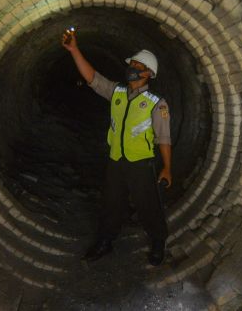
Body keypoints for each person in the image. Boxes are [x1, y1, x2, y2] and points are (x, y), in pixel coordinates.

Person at [61, 27, 172, 266]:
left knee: (148, 204)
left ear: (148, 73)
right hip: (115, 159)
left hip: (141, 163)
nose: (131, 68)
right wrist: (74, 50)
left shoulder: (156, 103)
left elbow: (164, 137)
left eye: (136, 65)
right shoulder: (117, 92)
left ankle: (158, 242)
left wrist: (167, 168)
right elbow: (92, 77)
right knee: (111, 203)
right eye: (131, 63)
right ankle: (105, 242)